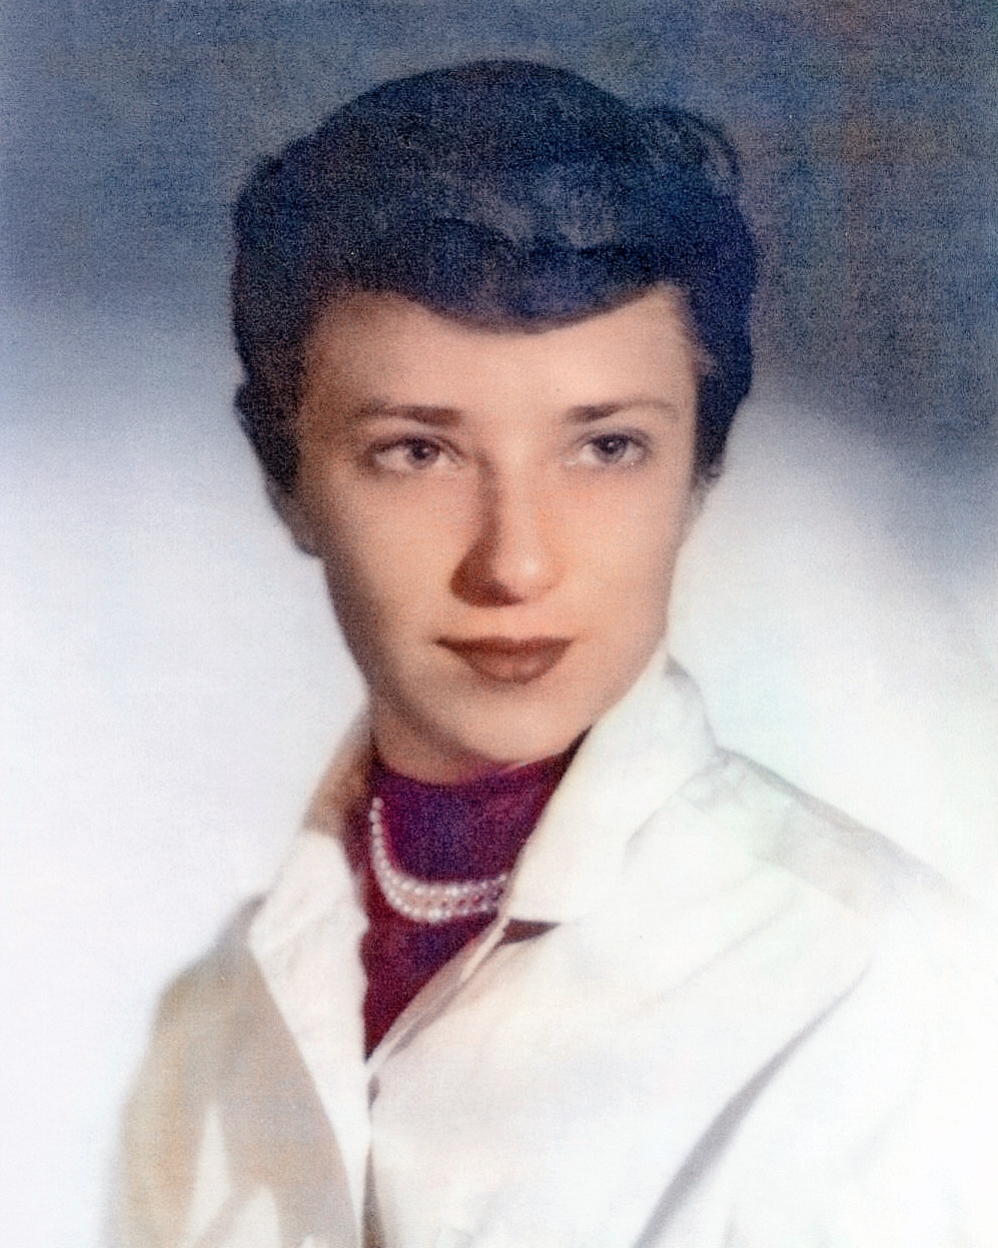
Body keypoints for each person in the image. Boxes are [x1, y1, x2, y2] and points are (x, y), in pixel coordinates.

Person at [113, 61, 998, 1248]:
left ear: (697, 474)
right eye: (416, 452)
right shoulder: (213, 1027)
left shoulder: (888, 994)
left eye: (606, 448)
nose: (515, 563)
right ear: (288, 483)